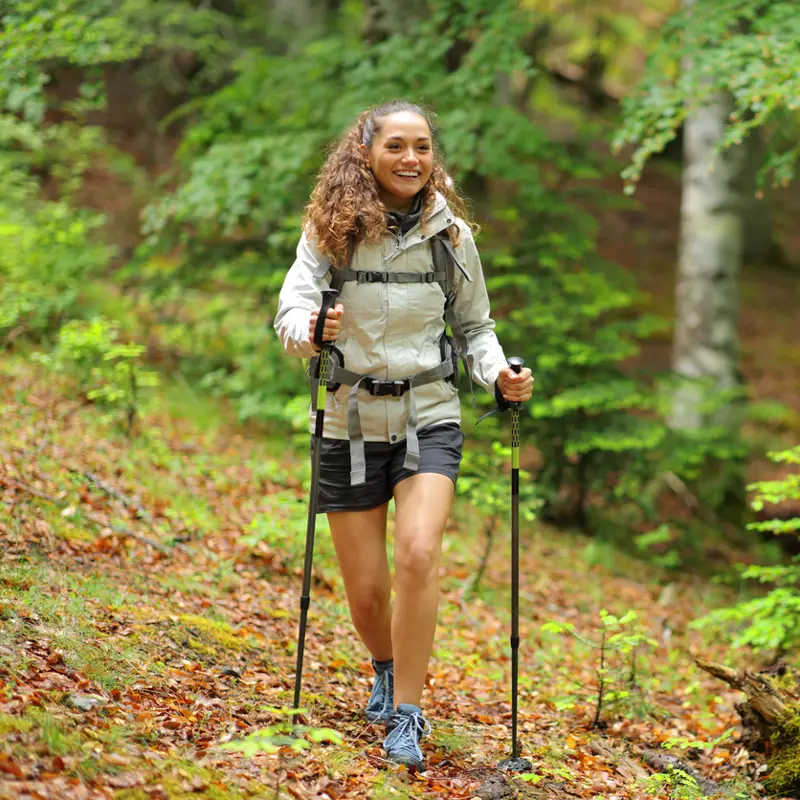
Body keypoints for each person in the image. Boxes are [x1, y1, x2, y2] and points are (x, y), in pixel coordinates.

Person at [274, 100, 533, 771]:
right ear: (366, 150)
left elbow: (476, 329)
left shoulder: (451, 236)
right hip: (349, 421)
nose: (411, 158)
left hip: (428, 414)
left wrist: (499, 374)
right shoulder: (330, 228)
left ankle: (408, 713)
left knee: (419, 553)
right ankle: (385, 666)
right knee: (366, 594)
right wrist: (310, 331)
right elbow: (293, 307)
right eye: (395, 145)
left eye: (421, 146)